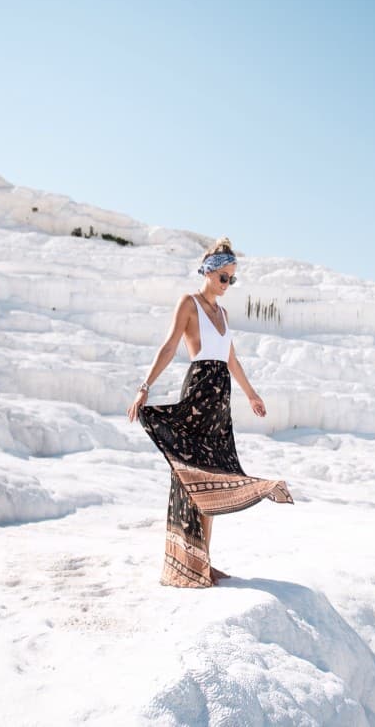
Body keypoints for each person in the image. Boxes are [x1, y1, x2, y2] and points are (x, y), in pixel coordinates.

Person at [127, 237, 293, 588]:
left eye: (232, 279)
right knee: (193, 477)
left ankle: (204, 561)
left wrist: (251, 395)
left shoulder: (224, 313)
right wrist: (145, 386)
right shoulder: (189, 304)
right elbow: (170, 345)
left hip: (221, 400)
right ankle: (187, 563)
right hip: (199, 392)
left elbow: (230, 358)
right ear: (208, 272)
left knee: (214, 474)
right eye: (224, 278)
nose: (227, 285)